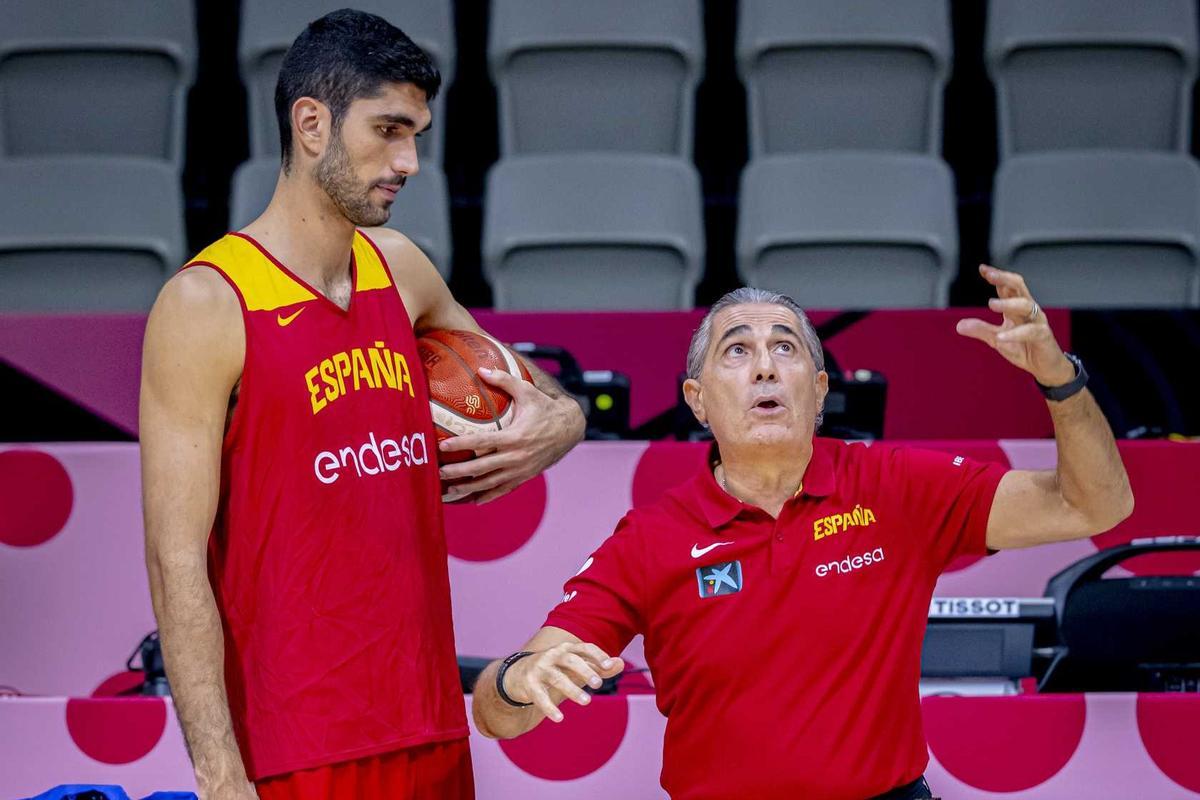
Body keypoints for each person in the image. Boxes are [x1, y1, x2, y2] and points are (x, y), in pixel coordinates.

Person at [471, 269, 1134, 800]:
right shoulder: (651, 537)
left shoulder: (896, 487)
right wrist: (517, 684)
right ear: (698, 400)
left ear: (817, 392)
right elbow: (499, 713)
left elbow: (1094, 507)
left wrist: (1059, 378)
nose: (765, 367)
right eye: (738, 351)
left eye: (785, 348)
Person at [139, 10, 584, 799]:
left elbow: (530, 389)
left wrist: (564, 423)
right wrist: (218, 772)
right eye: (388, 130)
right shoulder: (208, 304)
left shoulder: (403, 270)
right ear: (312, 123)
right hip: (295, 741)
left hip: (429, 718)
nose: (410, 160)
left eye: (417, 133)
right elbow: (176, 563)